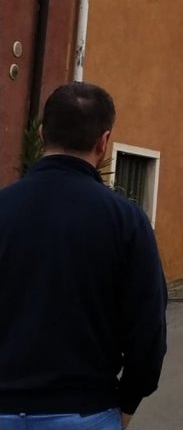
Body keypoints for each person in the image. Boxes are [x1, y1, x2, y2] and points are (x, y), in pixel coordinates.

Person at [0, 83, 167, 429]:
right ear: (103, 142)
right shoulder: (127, 221)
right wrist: (129, 401)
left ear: (42, 133)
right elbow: (148, 331)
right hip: (85, 411)